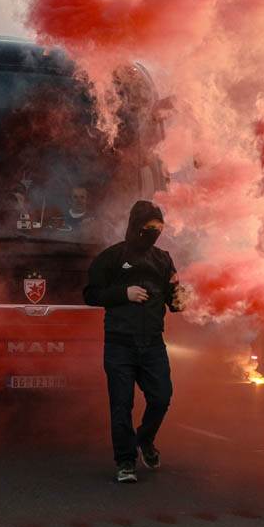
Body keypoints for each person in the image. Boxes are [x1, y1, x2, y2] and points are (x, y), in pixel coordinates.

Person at [83, 200, 187, 483]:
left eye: (159, 228)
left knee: (161, 397)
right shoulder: (111, 258)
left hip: (152, 343)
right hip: (120, 343)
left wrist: (181, 300)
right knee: (121, 404)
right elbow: (90, 294)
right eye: (150, 227)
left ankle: (145, 439)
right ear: (136, 226)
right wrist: (123, 294)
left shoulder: (163, 259)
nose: (155, 233)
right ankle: (125, 461)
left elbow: (174, 299)